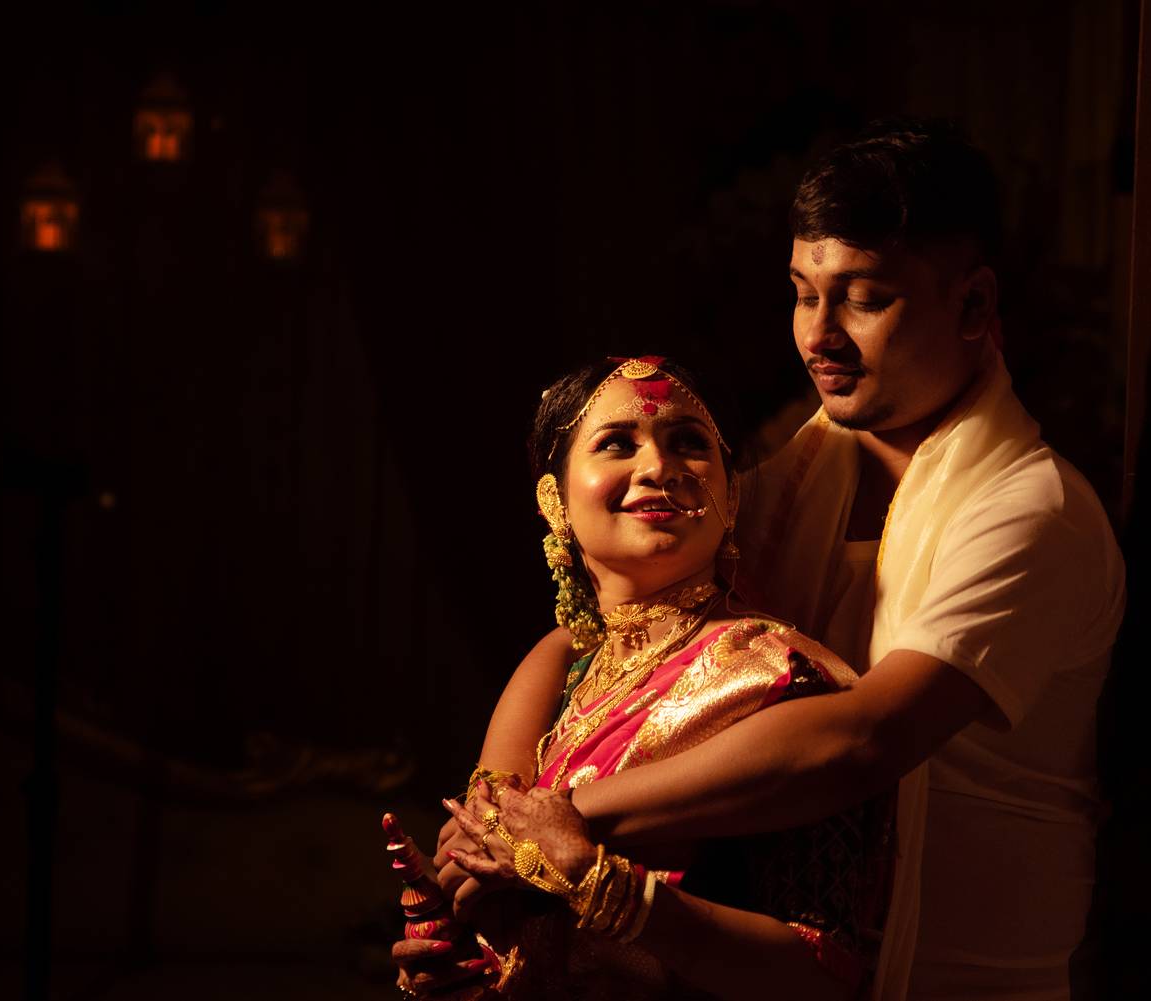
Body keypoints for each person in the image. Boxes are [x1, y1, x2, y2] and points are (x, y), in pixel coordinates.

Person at [440, 119, 1125, 1000]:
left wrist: (556, 819)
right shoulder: (779, 492)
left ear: (972, 307)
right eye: (804, 295)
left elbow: (862, 738)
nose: (820, 336)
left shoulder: (1029, 508)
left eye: (864, 298)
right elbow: (620, 628)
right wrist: (485, 877)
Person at [389, 356, 896, 1000]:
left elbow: (823, 973)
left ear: (731, 497)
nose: (658, 467)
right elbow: (499, 891)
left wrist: (606, 887)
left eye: (688, 442)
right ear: (554, 501)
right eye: (616, 444)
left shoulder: (777, 676)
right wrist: (464, 961)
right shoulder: (566, 673)